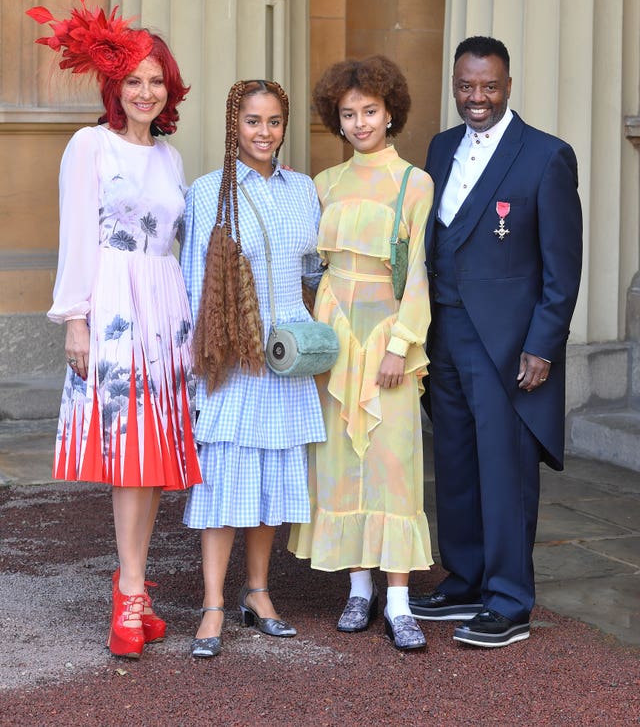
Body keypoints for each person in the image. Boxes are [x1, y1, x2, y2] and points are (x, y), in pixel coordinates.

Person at [26, 0, 202, 659]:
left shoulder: (170, 154)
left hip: (168, 310)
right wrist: (76, 317)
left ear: (169, 89)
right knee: (130, 458)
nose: (145, 91)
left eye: (156, 80)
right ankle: (129, 593)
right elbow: (77, 234)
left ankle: (135, 586)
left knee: (154, 460)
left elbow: (179, 244)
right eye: (134, 79)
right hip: (116, 308)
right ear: (114, 86)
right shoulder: (88, 146)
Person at [409, 35, 582, 647]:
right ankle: (467, 579)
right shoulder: (441, 147)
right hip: (445, 333)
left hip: (509, 345)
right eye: (465, 86)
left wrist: (543, 345)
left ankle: (509, 600)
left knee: (504, 471)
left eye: (488, 86)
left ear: (508, 86)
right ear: (454, 84)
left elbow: (562, 269)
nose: (475, 97)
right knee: (454, 461)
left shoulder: (546, 156)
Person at [288, 56, 434, 652]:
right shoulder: (323, 184)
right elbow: (305, 268)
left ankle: (398, 598)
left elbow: (420, 272)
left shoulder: (413, 183)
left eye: (369, 111)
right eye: (348, 114)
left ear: (390, 110)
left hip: (388, 334)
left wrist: (402, 345)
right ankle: (358, 588)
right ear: (336, 119)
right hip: (333, 337)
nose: (359, 123)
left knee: (394, 465)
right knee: (342, 462)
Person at [181, 79, 326, 659]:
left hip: (286, 355)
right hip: (232, 355)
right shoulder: (207, 192)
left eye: (272, 122)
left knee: (270, 482)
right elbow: (196, 283)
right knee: (222, 482)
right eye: (252, 122)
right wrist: (199, 367)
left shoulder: (304, 191)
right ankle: (214, 604)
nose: (263, 133)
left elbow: (315, 273)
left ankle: (258, 594)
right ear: (232, 126)